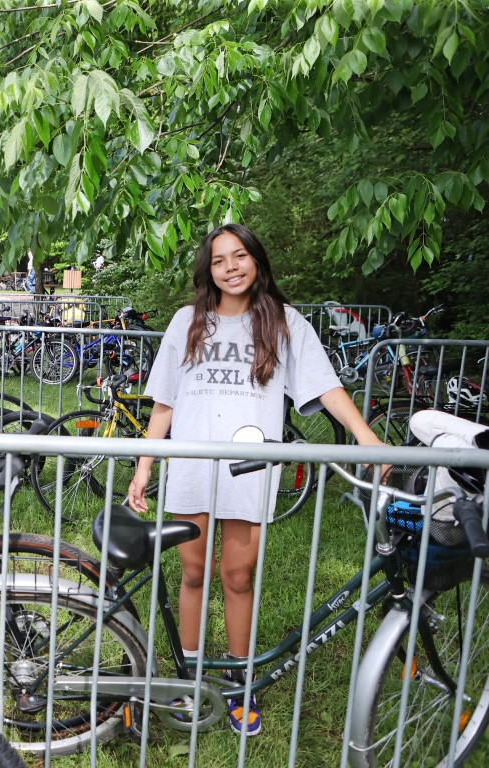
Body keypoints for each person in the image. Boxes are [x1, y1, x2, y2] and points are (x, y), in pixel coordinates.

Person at [126, 222, 386, 738]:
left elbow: (325, 385)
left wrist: (365, 436)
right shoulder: (187, 321)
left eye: (240, 255)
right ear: (209, 270)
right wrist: (144, 466)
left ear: (257, 261)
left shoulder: (285, 323)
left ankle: (241, 683)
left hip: (250, 469)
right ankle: (191, 678)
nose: (231, 267)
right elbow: (165, 402)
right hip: (193, 467)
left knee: (238, 576)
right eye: (220, 260)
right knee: (194, 573)